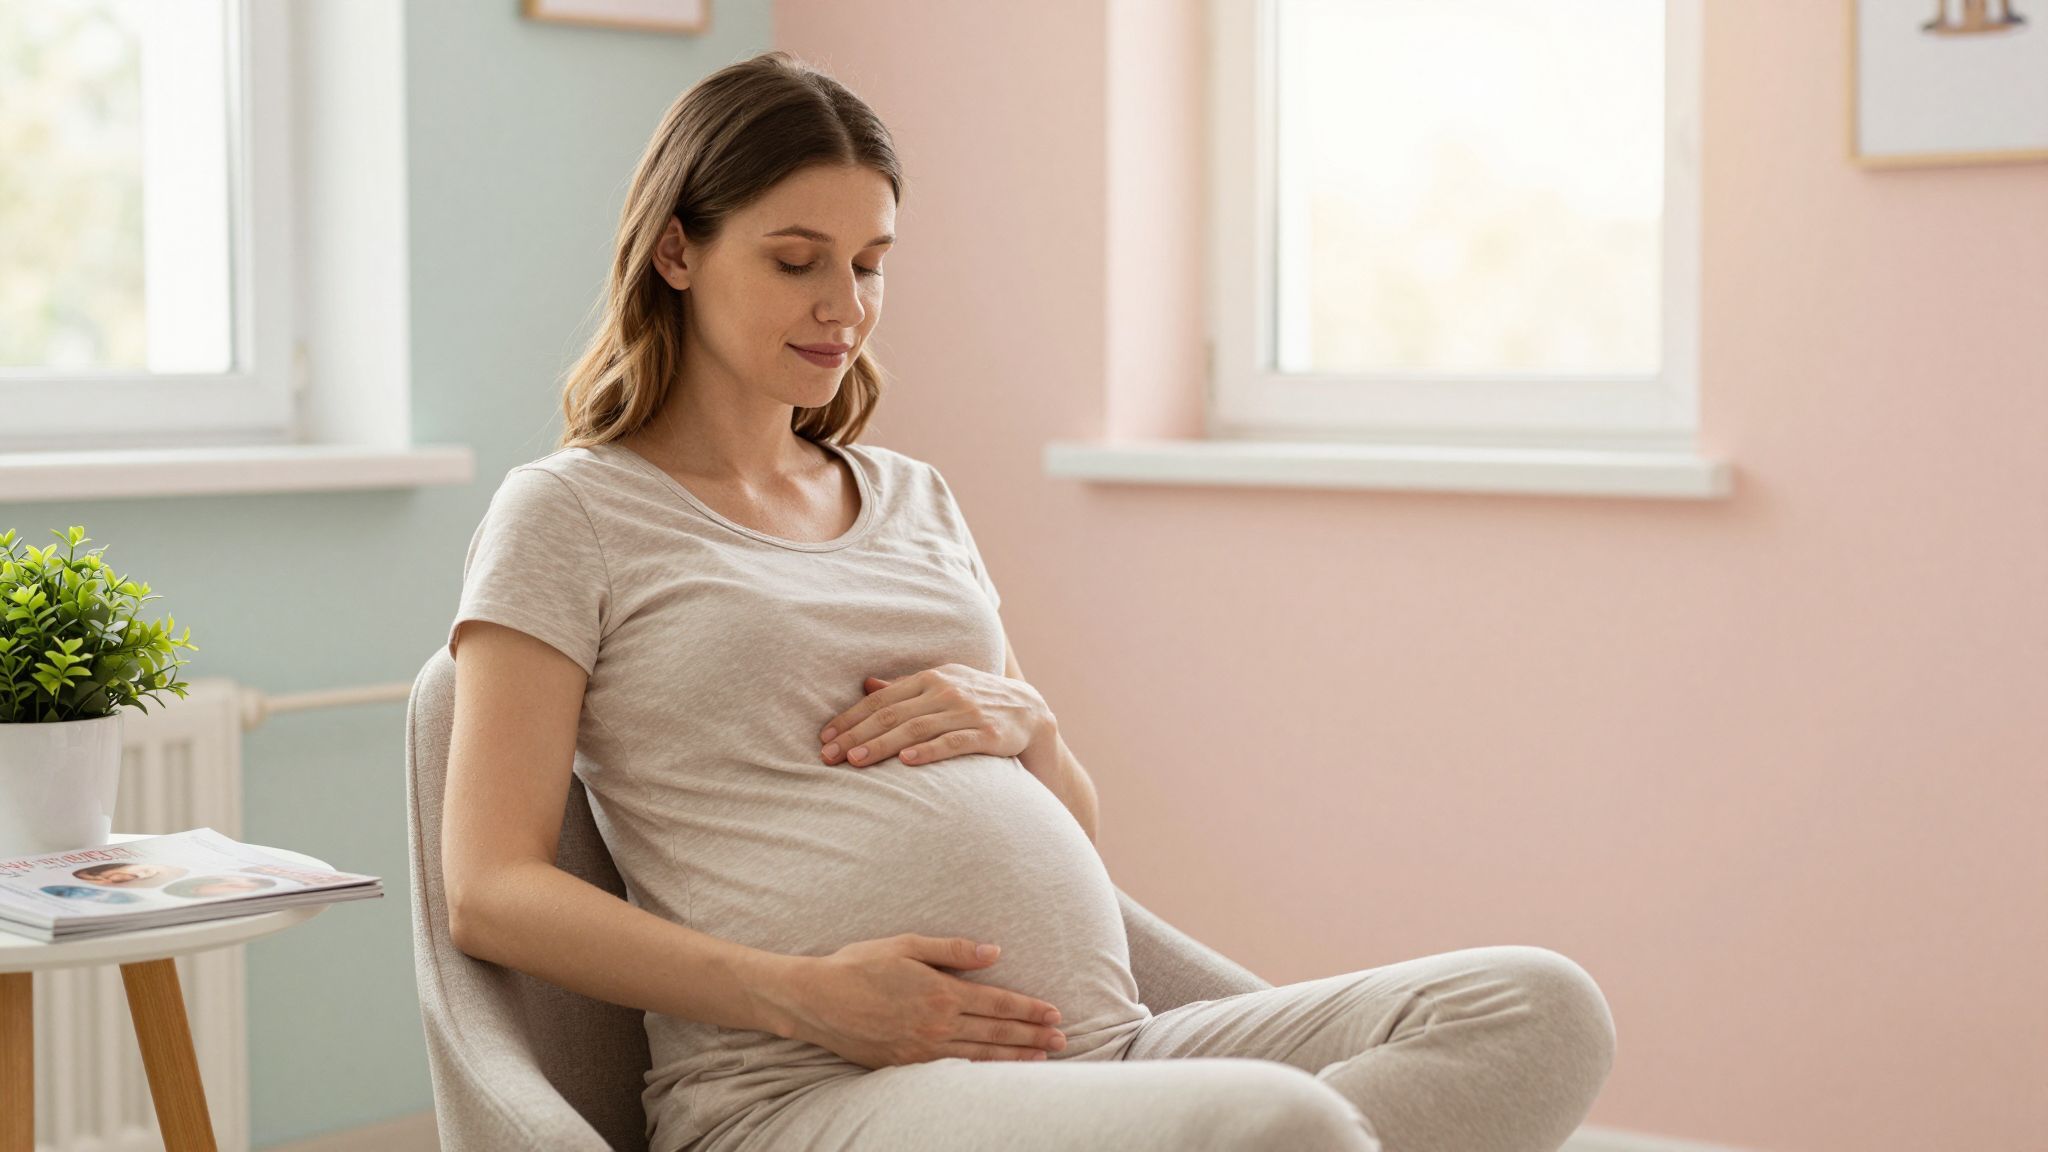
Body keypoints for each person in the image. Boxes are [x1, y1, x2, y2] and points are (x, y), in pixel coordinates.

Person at [442, 49, 1616, 1152]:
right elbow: (491, 892)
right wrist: (802, 995)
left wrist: (1033, 728)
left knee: (1538, 1008)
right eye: (796, 261)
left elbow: (1064, 832)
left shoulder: (914, 498)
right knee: (1276, 1127)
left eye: (868, 263)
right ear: (676, 253)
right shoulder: (572, 512)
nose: (844, 305)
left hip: (1100, 1051)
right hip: (804, 1089)